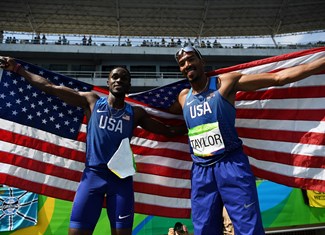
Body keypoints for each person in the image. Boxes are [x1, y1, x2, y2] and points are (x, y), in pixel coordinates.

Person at [0, 57, 186, 235]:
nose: (119, 80)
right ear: (108, 82)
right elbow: (51, 88)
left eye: (124, 78)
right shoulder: (92, 102)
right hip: (92, 177)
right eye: (115, 77)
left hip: (120, 181)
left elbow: (168, 131)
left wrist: (196, 123)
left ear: (129, 85)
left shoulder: (136, 113)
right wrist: (18, 70)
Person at [170, 46, 325, 235]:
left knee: (248, 227)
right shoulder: (183, 97)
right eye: (182, 63)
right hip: (201, 170)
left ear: (202, 62)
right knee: (204, 229)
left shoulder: (224, 83)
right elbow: (159, 114)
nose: (187, 65)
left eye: (191, 59)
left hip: (230, 164)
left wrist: (321, 63)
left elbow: (279, 78)